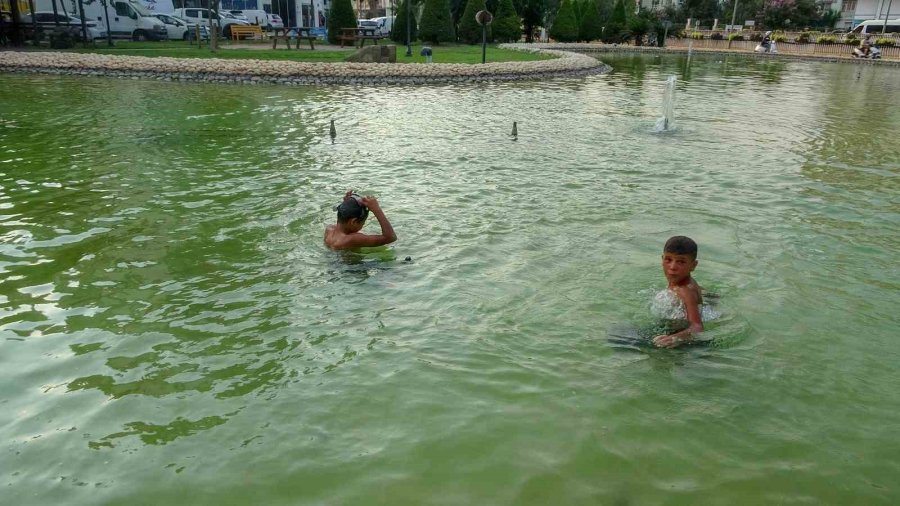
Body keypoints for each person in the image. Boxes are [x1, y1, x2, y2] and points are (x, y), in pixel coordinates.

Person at [652, 236, 704, 348]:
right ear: (662, 259)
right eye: (668, 259)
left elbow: (697, 326)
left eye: (681, 261)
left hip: (680, 336)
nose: (672, 267)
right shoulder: (687, 284)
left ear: (693, 265)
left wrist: (674, 338)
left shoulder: (685, 290)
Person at [324, 190, 397, 250]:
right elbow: (391, 237)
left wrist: (347, 203)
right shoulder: (352, 239)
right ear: (353, 222)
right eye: (363, 222)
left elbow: (344, 211)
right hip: (353, 268)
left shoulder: (329, 229)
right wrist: (376, 209)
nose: (363, 225)